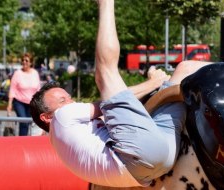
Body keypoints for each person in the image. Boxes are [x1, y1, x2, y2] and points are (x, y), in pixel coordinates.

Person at [30, 0, 212, 187]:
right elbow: (107, 100)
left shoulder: (65, 142)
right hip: (138, 155)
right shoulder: (61, 117)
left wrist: (157, 86)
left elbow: (121, 106)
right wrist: (153, 83)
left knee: (185, 68)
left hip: (161, 159)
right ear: (46, 117)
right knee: (104, 74)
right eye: (63, 100)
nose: (71, 102)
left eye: (68, 97)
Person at [7, 53, 40, 136]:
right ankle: (21, 142)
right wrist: (9, 104)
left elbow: (38, 89)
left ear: (31, 63)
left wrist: (40, 103)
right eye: (23, 60)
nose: (24, 62)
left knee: (28, 123)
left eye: (27, 60)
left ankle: (25, 141)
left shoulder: (35, 73)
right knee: (24, 122)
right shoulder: (17, 73)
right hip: (19, 102)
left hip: (31, 103)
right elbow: (12, 89)